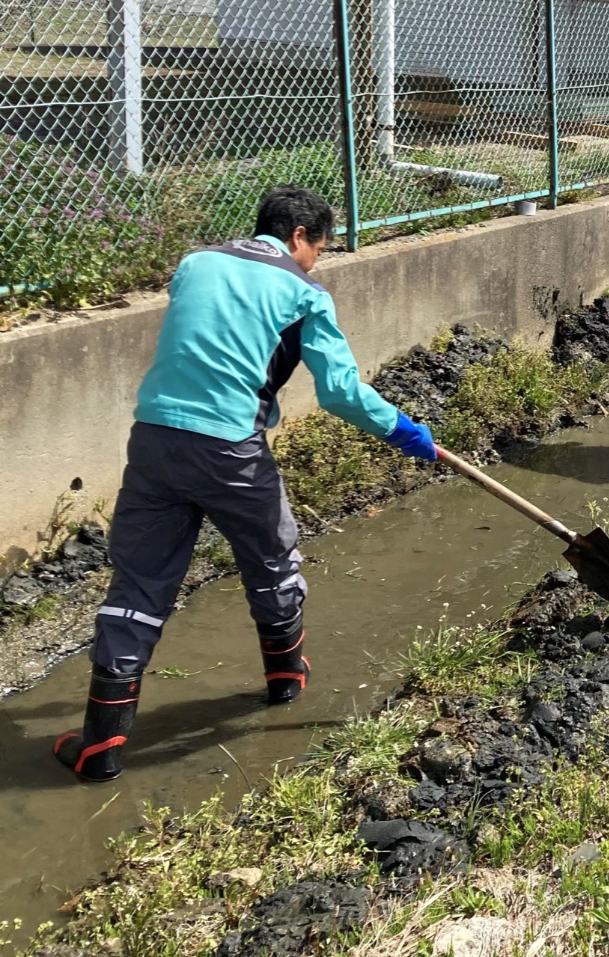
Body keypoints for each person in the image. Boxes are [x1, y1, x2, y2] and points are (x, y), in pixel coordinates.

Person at [53, 186, 439, 783]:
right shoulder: (304, 291)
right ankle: (286, 681)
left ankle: (100, 747)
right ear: (299, 237)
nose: (317, 260)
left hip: (155, 438)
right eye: (320, 248)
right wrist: (404, 432)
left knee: (139, 584)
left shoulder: (194, 263)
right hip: (231, 448)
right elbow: (338, 392)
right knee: (271, 558)